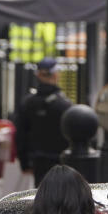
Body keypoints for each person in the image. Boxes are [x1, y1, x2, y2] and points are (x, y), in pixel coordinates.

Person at [12, 58, 73, 186]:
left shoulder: (28, 103)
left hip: (38, 161)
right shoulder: (65, 105)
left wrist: (24, 162)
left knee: (41, 194)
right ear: (56, 74)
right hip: (61, 161)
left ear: (38, 75)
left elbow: (20, 135)